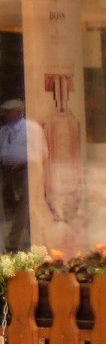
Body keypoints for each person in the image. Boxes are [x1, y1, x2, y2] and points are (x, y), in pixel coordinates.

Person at [0, 99, 44, 250]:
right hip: (8, 172)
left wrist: (24, 161)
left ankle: (13, 242)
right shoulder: (4, 131)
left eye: (9, 112)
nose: (5, 115)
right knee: (14, 208)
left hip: (27, 171)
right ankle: (35, 240)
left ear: (18, 113)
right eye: (5, 112)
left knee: (24, 206)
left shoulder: (31, 128)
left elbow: (41, 152)